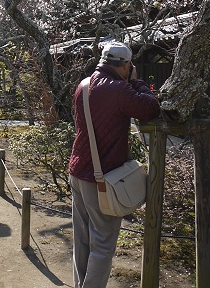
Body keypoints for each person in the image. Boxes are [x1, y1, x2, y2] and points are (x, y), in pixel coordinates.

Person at [69, 42, 159, 288]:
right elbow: (150, 107)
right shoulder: (120, 89)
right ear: (126, 65)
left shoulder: (84, 85)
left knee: (82, 240)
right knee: (103, 244)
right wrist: (137, 82)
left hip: (77, 170)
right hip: (102, 177)